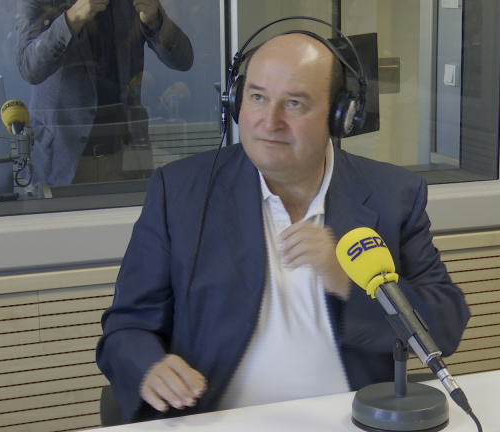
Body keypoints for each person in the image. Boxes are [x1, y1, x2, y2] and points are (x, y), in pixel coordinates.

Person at [96, 31, 471, 423]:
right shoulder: (180, 192)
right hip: (219, 421)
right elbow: (127, 327)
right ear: (236, 101)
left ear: (340, 116)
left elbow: (445, 325)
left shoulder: (392, 194)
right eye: (257, 97)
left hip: (353, 421)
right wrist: (148, 367)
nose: (269, 121)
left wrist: (346, 280)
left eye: (294, 103)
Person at [16, 0, 194, 187]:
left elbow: (184, 60)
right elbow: (29, 67)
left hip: (126, 156)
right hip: (62, 162)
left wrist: (155, 21)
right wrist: (72, 19)